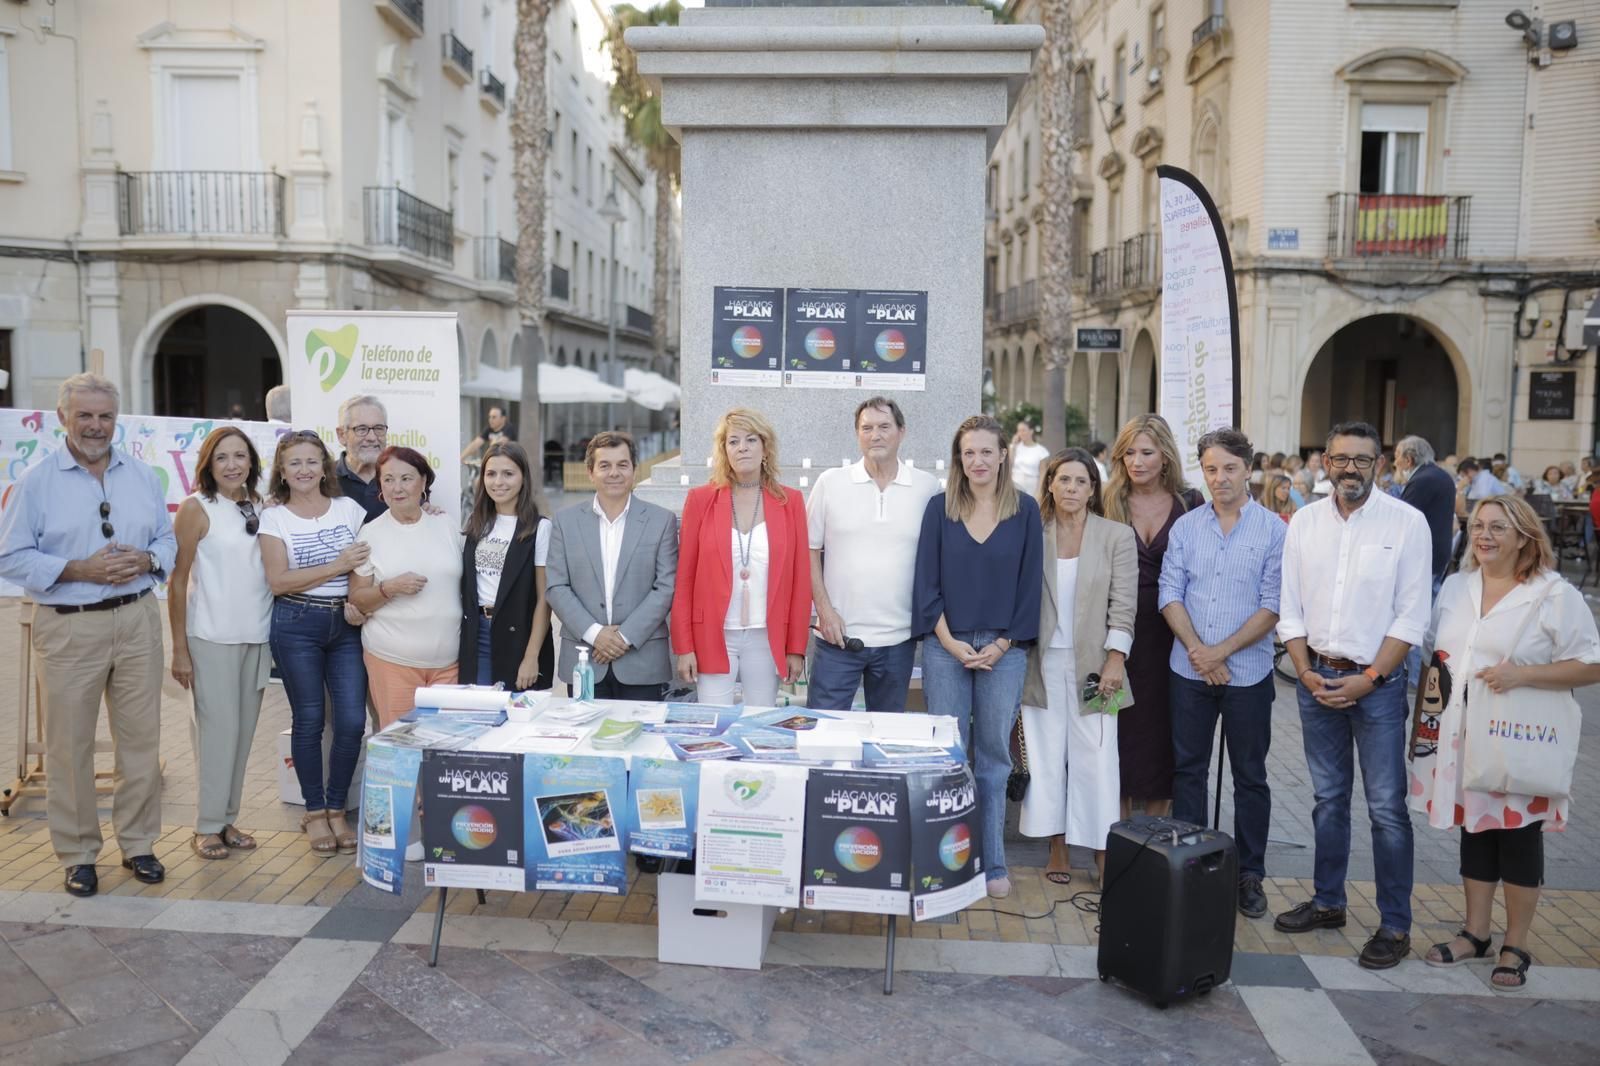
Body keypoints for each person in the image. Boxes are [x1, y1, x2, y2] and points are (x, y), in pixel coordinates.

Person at [1409, 496, 1600, 990]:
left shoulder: (1552, 594)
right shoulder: (1456, 586)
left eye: (1497, 527)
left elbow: (1591, 663)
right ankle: (1475, 932)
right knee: (1476, 829)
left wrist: (1523, 675)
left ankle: (1517, 942)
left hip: (1520, 738)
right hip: (1461, 737)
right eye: (1477, 526)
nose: (1484, 536)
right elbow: (1437, 655)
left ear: (1524, 536)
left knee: (1517, 836)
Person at [0, 373, 175, 897]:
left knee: (141, 743)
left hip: (138, 619)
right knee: (68, 746)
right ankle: (77, 854)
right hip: (70, 625)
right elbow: (10, 556)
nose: (96, 426)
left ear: (115, 420)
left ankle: (139, 844)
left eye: (104, 416)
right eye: (85, 416)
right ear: (63, 419)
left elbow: (167, 540)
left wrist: (148, 558)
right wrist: (80, 570)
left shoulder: (143, 476)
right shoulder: (37, 482)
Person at [1274, 421, 1432, 970]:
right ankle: (1328, 901)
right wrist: (1303, 670)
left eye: (1361, 461)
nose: (1349, 469)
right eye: (1340, 459)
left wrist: (1372, 678)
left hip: (1379, 686)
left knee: (1387, 810)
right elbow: (1289, 605)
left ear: (1380, 466)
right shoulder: (1304, 524)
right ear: (1324, 461)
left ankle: (1394, 924)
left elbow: (1413, 614)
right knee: (1327, 800)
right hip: (1316, 676)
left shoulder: (1407, 524)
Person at [913, 414, 1043, 899]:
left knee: (992, 758)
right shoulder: (938, 509)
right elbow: (926, 583)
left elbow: (1030, 587)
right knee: (948, 757)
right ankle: (946, 860)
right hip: (947, 645)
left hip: (1004, 650)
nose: (978, 461)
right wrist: (948, 643)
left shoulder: (1025, 511)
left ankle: (992, 863)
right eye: (969, 452)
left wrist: (1002, 644)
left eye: (986, 451)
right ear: (958, 459)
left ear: (1003, 455)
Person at [1159, 428, 1285, 919]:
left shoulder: (1274, 529)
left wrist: (1221, 653)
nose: (1220, 478)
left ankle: (1250, 873)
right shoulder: (1187, 527)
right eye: (1211, 469)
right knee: (1188, 771)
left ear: (1248, 469)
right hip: (1188, 669)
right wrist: (1197, 650)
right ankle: (1190, 865)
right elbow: (1168, 591)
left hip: (1248, 673)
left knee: (1250, 776)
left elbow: (1273, 604)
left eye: (1229, 468)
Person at [1019, 447, 1134, 886]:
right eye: (1063, 479)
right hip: (1042, 663)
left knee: (1099, 756)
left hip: (1097, 665)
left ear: (1092, 489)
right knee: (1047, 756)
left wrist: (1115, 660)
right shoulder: (1035, 532)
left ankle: (1103, 851)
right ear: (1049, 484)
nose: (1071, 488)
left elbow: (1124, 605)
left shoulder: (1114, 536)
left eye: (1080, 481)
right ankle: (1057, 845)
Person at [258, 431, 371, 856]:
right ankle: (315, 810)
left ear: (325, 467)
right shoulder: (275, 518)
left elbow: (365, 563)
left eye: (312, 461)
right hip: (296, 621)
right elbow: (278, 580)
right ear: (282, 473)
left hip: (345, 623)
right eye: (294, 463)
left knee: (351, 721)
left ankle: (338, 806)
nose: (304, 470)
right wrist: (337, 565)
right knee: (307, 720)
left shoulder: (348, 509)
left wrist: (357, 597)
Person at [168, 427, 272, 861]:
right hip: (209, 636)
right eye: (222, 458)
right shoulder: (196, 508)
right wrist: (178, 648)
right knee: (216, 734)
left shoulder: (262, 505)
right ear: (208, 465)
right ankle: (206, 825)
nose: (232, 465)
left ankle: (227, 819)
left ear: (252, 461)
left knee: (243, 734)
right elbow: (177, 581)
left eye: (240, 456)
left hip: (258, 635)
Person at [807, 397, 940, 712]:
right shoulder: (830, 483)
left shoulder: (927, 487)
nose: (875, 435)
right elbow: (808, 550)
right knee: (824, 735)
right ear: (857, 434)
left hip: (898, 641)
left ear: (901, 432)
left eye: (884, 427)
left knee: (885, 737)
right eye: (866, 428)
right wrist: (824, 612)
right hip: (838, 637)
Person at [671, 408, 811, 706]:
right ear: (724, 451)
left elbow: (801, 581)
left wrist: (796, 647)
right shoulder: (700, 500)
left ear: (764, 448)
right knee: (714, 723)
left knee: (761, 724)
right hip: (713, 633)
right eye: (733, 441)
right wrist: (684, 646)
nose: (742, 447)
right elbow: (684, 579)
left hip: (766, 634)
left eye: (750, 439)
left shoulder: (791, 502)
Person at [1101, 413, 1202, 817]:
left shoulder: (1190, 503)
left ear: (1166, 455)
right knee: (1115, 730)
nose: (1137, 461)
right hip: (1114, 633)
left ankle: (1157, 837)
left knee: (1166, 731)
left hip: (1172, 636)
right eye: (1129, 453)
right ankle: (1116, 833)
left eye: (1146, 452)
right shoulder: (1106, 499)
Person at [545, 432, 678, 700]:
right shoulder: (564, 522)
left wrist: (623, 637)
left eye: (622, 464)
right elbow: (557, 587)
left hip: (642, 661)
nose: (614, 473)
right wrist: (595, 635)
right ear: (590, 472)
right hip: (585, 659)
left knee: (643, 739)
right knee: (586, 738)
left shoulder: (661, 521)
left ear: (634, 470)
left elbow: (666, 587)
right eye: (604, 465)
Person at [347, 447, 464, 726]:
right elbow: (357, 600)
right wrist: (389, 588)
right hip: (392, 661)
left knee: (444, 749)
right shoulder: (370, 533)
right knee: (401, 750)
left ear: (423, 482)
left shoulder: (445, 523)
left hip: (449, 664)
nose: (397, 488)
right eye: (388, 480)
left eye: (406, 478)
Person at [459, 441, 554, 690]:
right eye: (491, 474)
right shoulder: (476, 522)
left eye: (508, 474)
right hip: (476, 634)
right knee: (480, 715)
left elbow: (545, 599)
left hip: (518, 637)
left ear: (523, 478)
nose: (498, 482)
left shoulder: (539, 528)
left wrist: (532, 656)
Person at [1395, 435, 1459, 685]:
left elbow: (1401, 518)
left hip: (1423, 558)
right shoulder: (1440, 475)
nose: (1396, 465)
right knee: (1429, 615)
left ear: (1409, 459)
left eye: (1397, 459)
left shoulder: (1422, 480)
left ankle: (1416, 676)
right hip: (1437, 552)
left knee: (1418, 617)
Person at [334, 394, 390, 522]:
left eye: (378, 428)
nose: (371, 437)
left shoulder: (401, 477)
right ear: (342, 435)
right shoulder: (322, 479)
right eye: (361, 429)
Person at [1009, 420, 1049, 496]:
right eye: (1019, 431)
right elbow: (1009, 465)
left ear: (1031, 431)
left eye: (1023, 430)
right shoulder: (1014, 447)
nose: (1020, 433)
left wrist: (1039, 492)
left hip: (1032, 487)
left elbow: (1042, 473)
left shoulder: (1041, 451)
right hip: (1015, 485)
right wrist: (1013, 446)